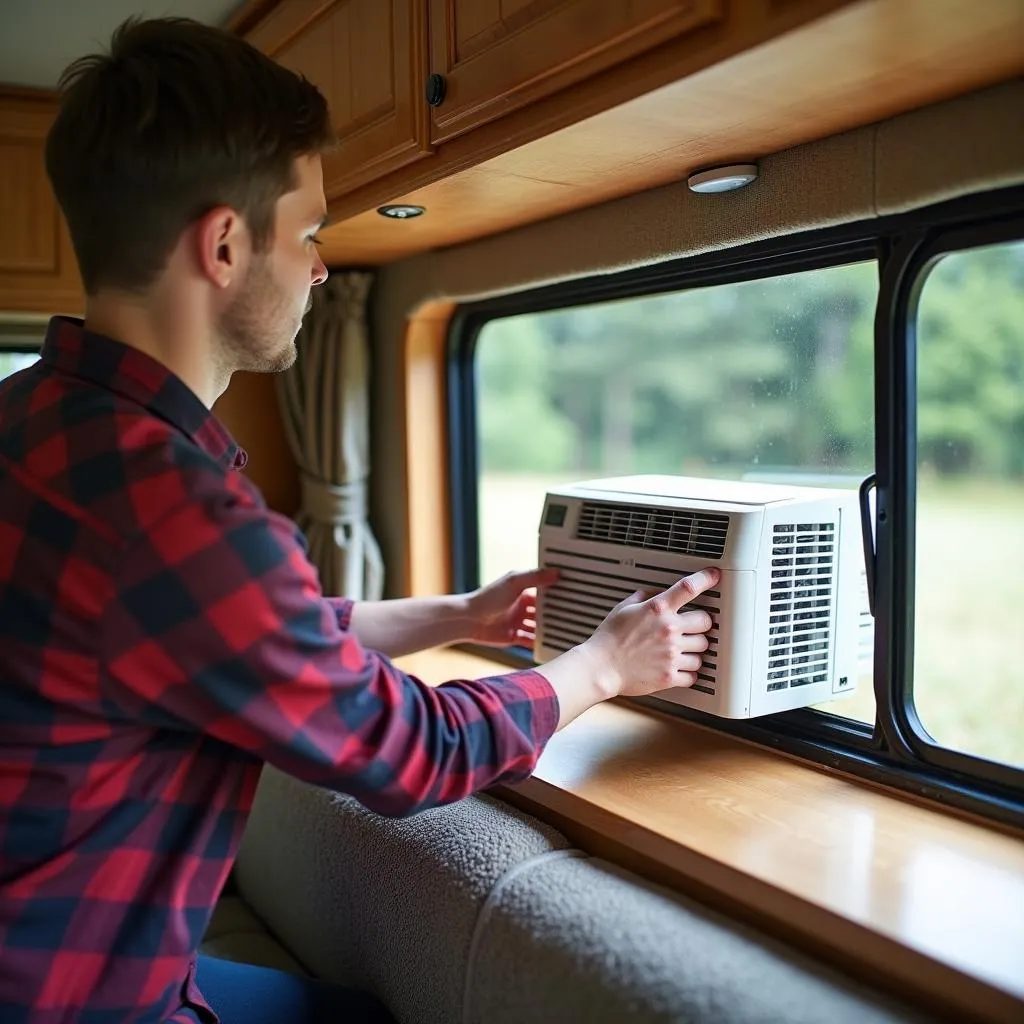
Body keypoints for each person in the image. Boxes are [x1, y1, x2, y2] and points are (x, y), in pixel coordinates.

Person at [0, 16, 719, 1024]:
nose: (321, 269)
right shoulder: (176, 507)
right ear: (222, 244)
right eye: (308, 234)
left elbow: (238, 636)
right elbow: (408, 749)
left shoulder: (34, 424)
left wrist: (455, 613)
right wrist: (602, 666)